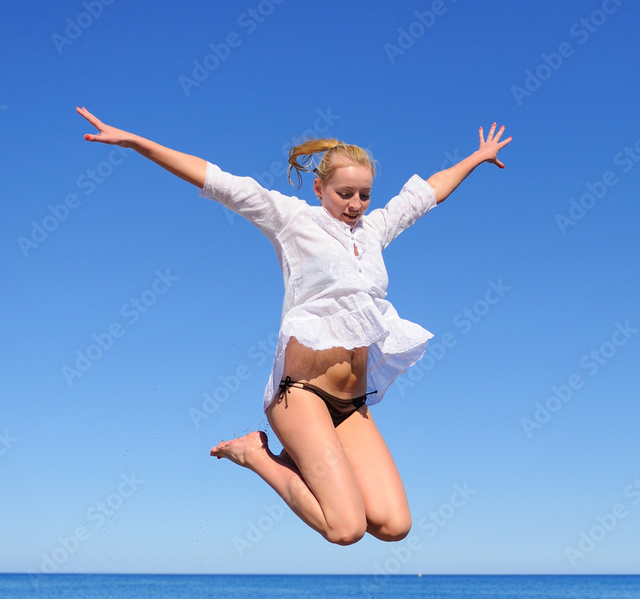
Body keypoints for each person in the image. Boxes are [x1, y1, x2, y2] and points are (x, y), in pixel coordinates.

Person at [77, 107, 511, 547]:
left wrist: (476, 158)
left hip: (350, 406)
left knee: (394, 525)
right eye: (344, 193)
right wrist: (137, 143)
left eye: (364, 194)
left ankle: (304, 459)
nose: (355, 204)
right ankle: (255, 454)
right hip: (300, 396)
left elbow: (426, 194)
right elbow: (216, 180)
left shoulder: (373, 232)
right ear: (320, 187)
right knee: (346, 529)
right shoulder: (292, 220)